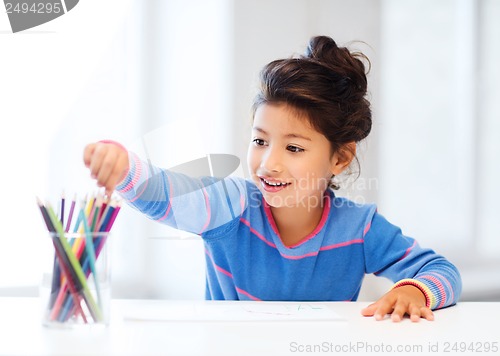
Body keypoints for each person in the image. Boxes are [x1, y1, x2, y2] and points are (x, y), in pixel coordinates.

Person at [83, 36, 461, 322]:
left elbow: (441, 271)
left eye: (293, 148)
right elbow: (167, 192)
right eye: (260, 141)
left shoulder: (359, 230)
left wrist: (416, 290)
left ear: (340, 157)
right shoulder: (228, 207)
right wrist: (125, 170)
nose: (268, 163)